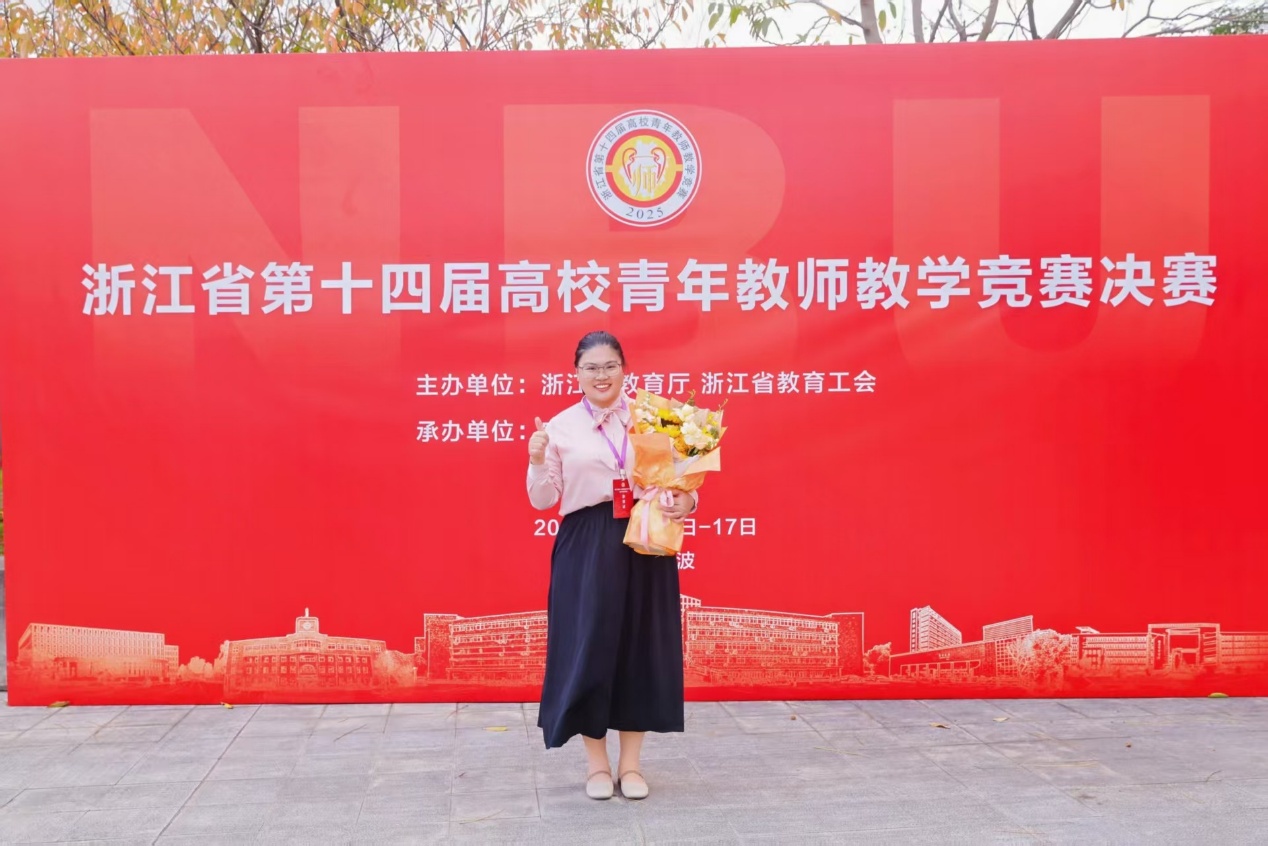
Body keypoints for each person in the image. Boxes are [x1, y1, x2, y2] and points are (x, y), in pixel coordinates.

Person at [527, 331, 697, 801]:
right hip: (586, 542)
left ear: (625, 369)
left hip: (645, 536)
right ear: (576, 374)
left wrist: (688, 501)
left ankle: (632, 766)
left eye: (610, 366)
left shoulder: (653, 417)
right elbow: (543, 499)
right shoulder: (561, 426)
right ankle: (597, 765)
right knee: (590, 647)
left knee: (640, 647)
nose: (601, 375)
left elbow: (681, 480)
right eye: (591, 367)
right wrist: (537, 459)